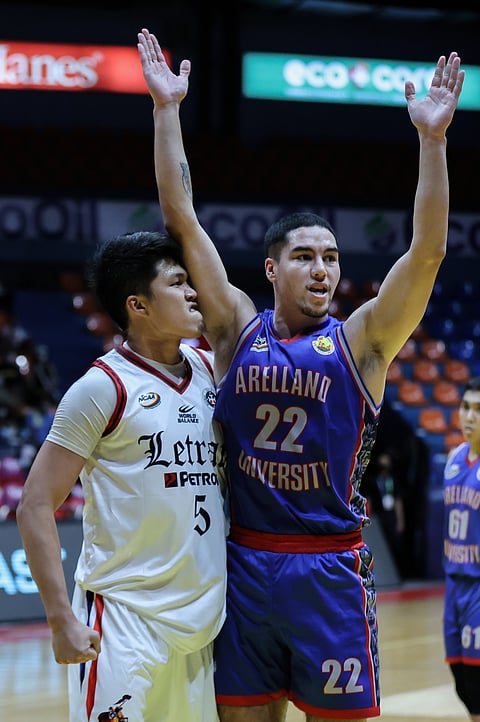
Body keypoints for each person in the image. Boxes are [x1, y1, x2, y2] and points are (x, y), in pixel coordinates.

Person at [138, 28, 464, 722]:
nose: (322, 269)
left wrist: (432, 145)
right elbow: (181, 219)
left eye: (332, 257)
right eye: (305, 256)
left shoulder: (363, 342)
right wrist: (167, 110)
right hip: (247, 567)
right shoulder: (234, 327)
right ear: (270, 268)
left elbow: (428, 253)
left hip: (331, 571)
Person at [16, 231, 228, 722]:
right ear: (139, 304)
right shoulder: (100, 388)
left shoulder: (210, 372)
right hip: (124, 621)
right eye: (177, 283)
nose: (193, 292)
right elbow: (35, 503)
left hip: (204, 624)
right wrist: (59, 620)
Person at [443, 377, 480, 722]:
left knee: (477, 679)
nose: (469, 416)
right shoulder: (453, 459)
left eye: (478, 410)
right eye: (466, 406)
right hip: (454, 582)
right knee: (461, 679)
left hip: (479, 586)